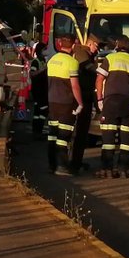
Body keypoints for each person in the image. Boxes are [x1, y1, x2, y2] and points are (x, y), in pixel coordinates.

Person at [94, 35, 129, 178]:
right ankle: (123, 169)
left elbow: (99, 79)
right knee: (126, 138)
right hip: (127, 103)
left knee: (108, 137)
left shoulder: (110, 59)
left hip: (111, 102)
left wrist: (99, 98)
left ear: (117, 46)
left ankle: (107, 170)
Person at [46, 34, 83, 175]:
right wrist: (80, 103)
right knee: (64, 136)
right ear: (73, 45)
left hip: (52, 102)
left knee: (52, 135)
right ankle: (62, 167)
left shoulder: (52, 60)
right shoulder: (72, 62)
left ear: (60, 44)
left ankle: (52, 165)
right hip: (66, 103)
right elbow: (75, 86)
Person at [69, 33, 102, 174]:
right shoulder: (82, 52)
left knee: (82, 133)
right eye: (96, 46)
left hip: (85, 97)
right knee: (79, 132)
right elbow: (89, 68)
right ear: (90, 43)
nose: (97, 49)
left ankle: (76, 162)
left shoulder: (86, 53)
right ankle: (74, 163)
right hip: (81, 98)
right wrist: (104, 71)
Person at [29, 42, 48, 138]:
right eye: (45, 49)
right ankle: (38, 130)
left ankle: (37, 130)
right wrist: (43, 70)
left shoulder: (43, 60)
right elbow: (32, 74)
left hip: (42, 89)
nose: (46, 51)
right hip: (38, 90)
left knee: (38, 111)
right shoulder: (36, 61)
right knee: (43, 110)